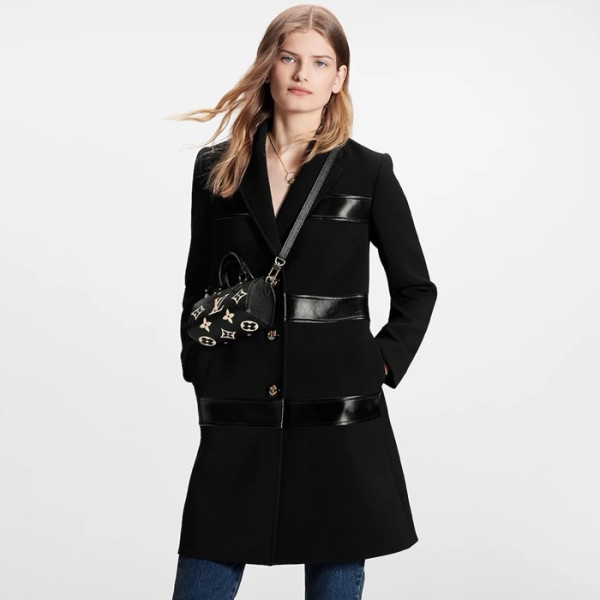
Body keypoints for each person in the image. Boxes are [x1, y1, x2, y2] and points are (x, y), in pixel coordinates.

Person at [168, 5, 438, 599]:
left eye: (319, 63)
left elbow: (416, 287)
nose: (301, 74)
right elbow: (197, 283)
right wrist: (200, 365)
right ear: (268, 65)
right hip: (239, 404)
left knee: (335, 570)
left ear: (339, 78)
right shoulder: (217, 168)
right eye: (289, 58)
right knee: (205, 570)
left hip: (338, 409)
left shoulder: (368, 172)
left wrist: (380, 362)